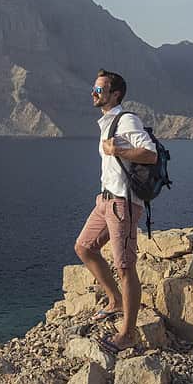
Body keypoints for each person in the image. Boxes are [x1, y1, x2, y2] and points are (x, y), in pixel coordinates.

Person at [74, 69, 158, 353]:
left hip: (123, 203)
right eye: (94, 89)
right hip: (105, 200)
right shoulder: (108, 122)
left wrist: (117, 151)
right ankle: (116, 301)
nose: (94, 94)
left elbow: (150, 154)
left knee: (125, 267)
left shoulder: (127, 120)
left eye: (99, 90)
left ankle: (128, 333)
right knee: (84, 248)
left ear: (115, 94)